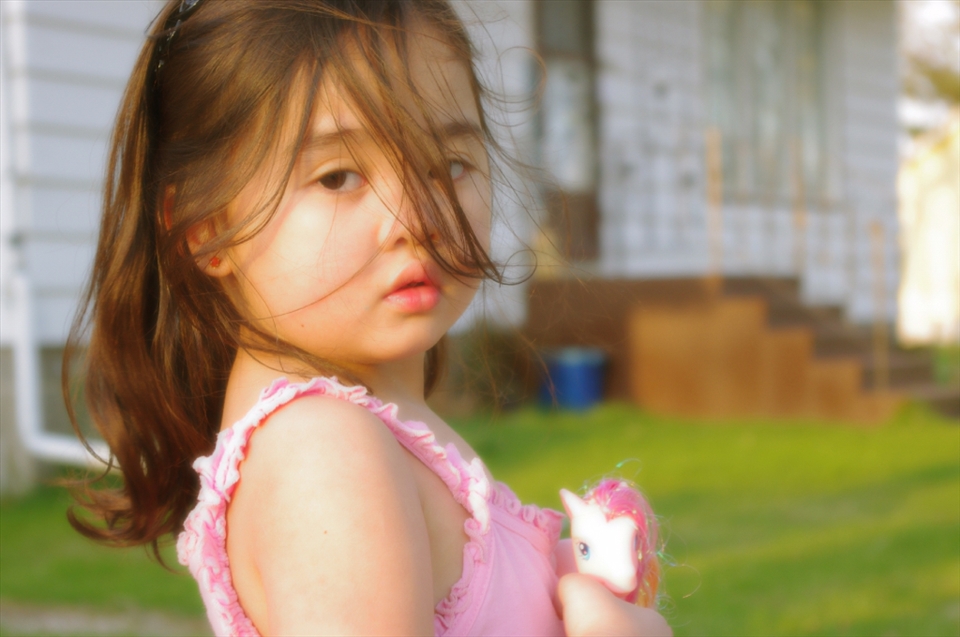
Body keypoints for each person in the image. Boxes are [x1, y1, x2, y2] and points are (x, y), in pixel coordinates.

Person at [64, 1, 672, 635]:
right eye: (338, 177)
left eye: (449, 166)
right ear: (206, 228)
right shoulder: (323, 452)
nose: (418, 221)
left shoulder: (359, 430)